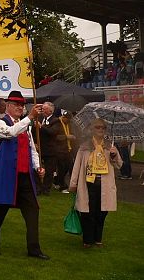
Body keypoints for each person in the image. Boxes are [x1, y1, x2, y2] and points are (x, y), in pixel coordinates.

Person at [0, 91, 49, 260]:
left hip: (25, 176)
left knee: (33, 211)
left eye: (22, 105)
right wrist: (30, 118)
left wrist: (37, 167)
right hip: (6, 177)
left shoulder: (25, 128)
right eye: (17, 105)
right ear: (8, 106)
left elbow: (32, 150)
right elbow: (11, 132)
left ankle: (34, 249)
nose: (20, 107)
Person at [68, 118, 122, 248]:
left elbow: (119, 165)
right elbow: (77, 166)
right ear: (92, 129)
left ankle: (98, 239)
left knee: (102, 212)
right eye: (97, 127)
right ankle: (87, 240)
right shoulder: (85, 147)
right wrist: (73, 183)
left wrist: (114, 155)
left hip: (104, 184)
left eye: (103, 128)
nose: (100, 130)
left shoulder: (110, 147)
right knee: (87, 212)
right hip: (88, 183)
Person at [38, 101, 58, 195]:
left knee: (49, 171)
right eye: (42, 109)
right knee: (37, 168)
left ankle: (46, 189)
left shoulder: (56, 120)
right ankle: (38, 188)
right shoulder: (39, 118)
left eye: (45, 109)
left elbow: (52, 132)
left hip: (50, 150)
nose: (42, 111)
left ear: (50, 111)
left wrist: (41, 127)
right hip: (40, 148)